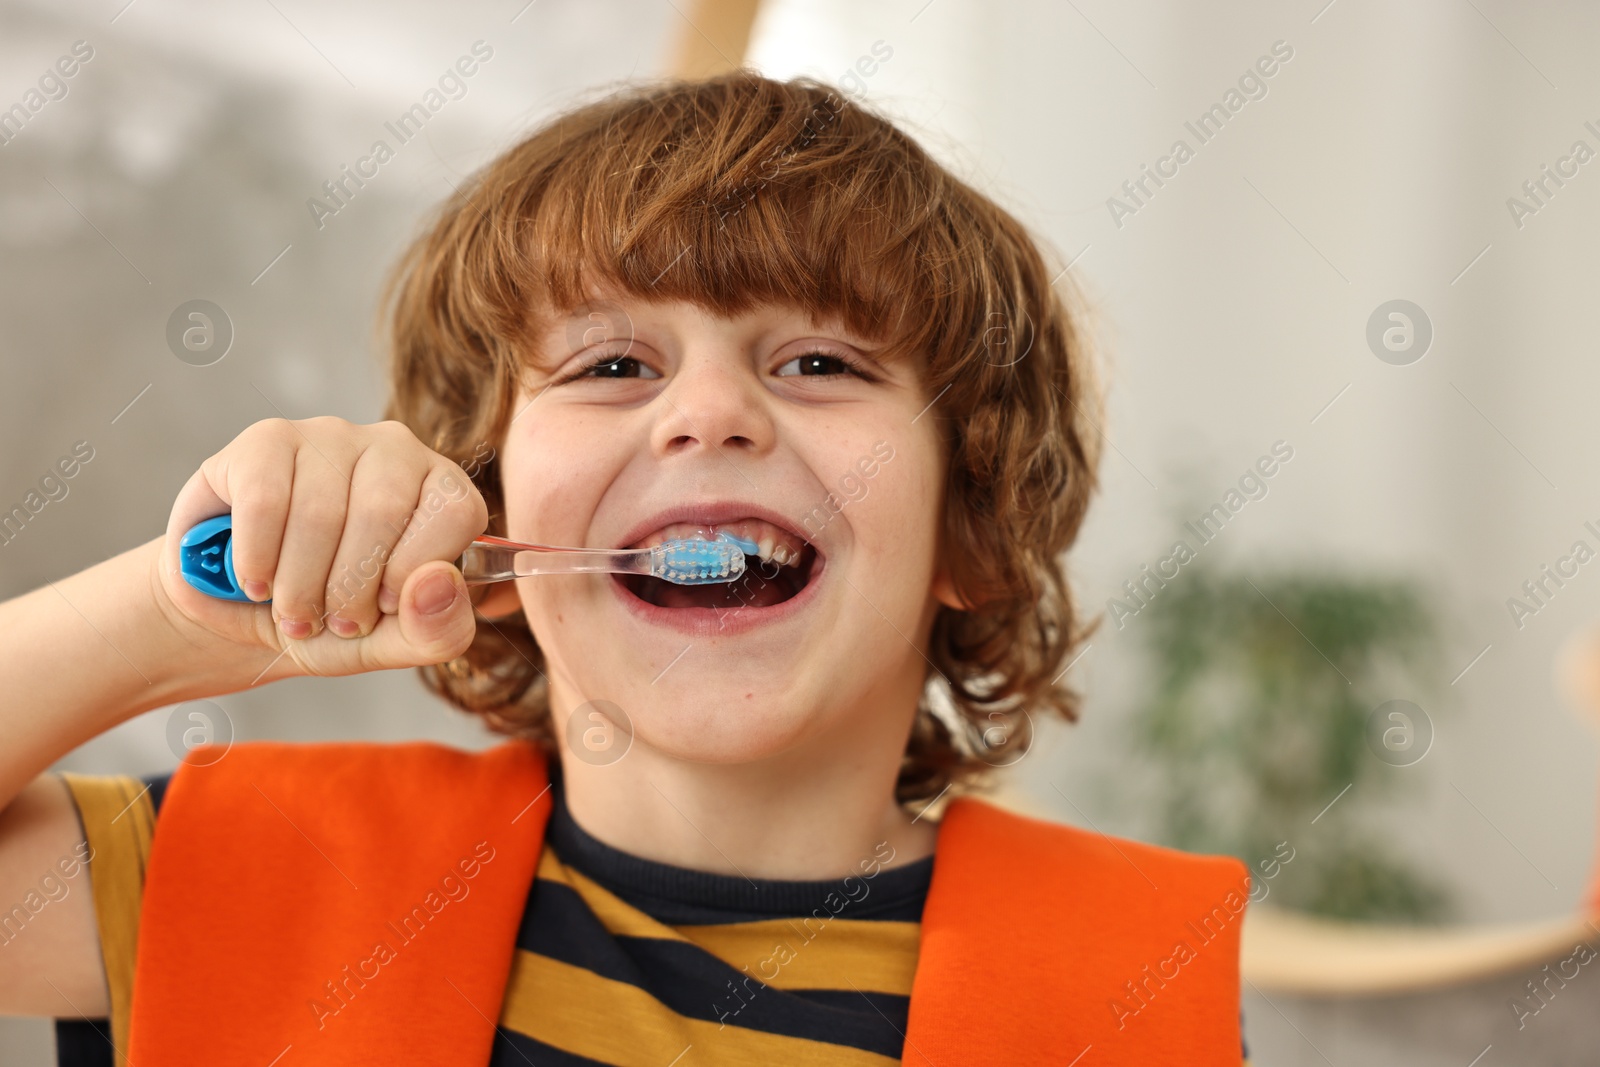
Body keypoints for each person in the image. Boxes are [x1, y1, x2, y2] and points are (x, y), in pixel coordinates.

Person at [0, 73, 1250, 1065]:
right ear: (478, 511)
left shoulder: (1139, 988)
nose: (707, 414)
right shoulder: (248, 874)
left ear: (969, 528)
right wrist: (178, 615)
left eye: (820, 362)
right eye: (610, 366)